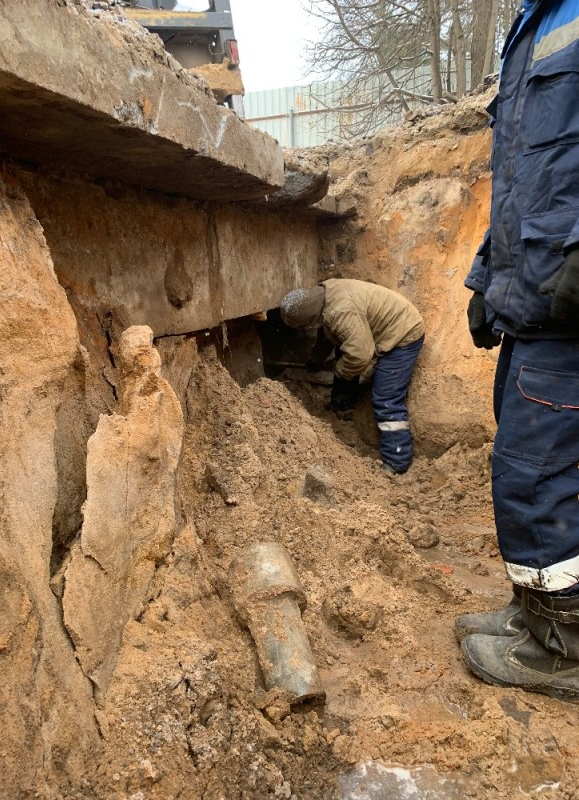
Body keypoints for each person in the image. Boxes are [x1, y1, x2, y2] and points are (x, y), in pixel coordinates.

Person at [458, 0, 579, 701]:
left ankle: (566, 648)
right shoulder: (534, 24)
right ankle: (537, 617)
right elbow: (522, 183)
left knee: (535, 481)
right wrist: (486, 278)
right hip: (532, 300)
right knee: (531, 462)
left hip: (567, 305)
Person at [279, 278, 425, 474]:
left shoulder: (340, 312)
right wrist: (316, 360)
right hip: (386, 325)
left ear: (307, 323)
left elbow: (360, 355)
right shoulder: (324, 295)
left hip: (403, 334)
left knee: (386, 397)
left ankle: (397, 460)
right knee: (344, 354)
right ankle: (342, 406)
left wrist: (340, 371)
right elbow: (328, 335)